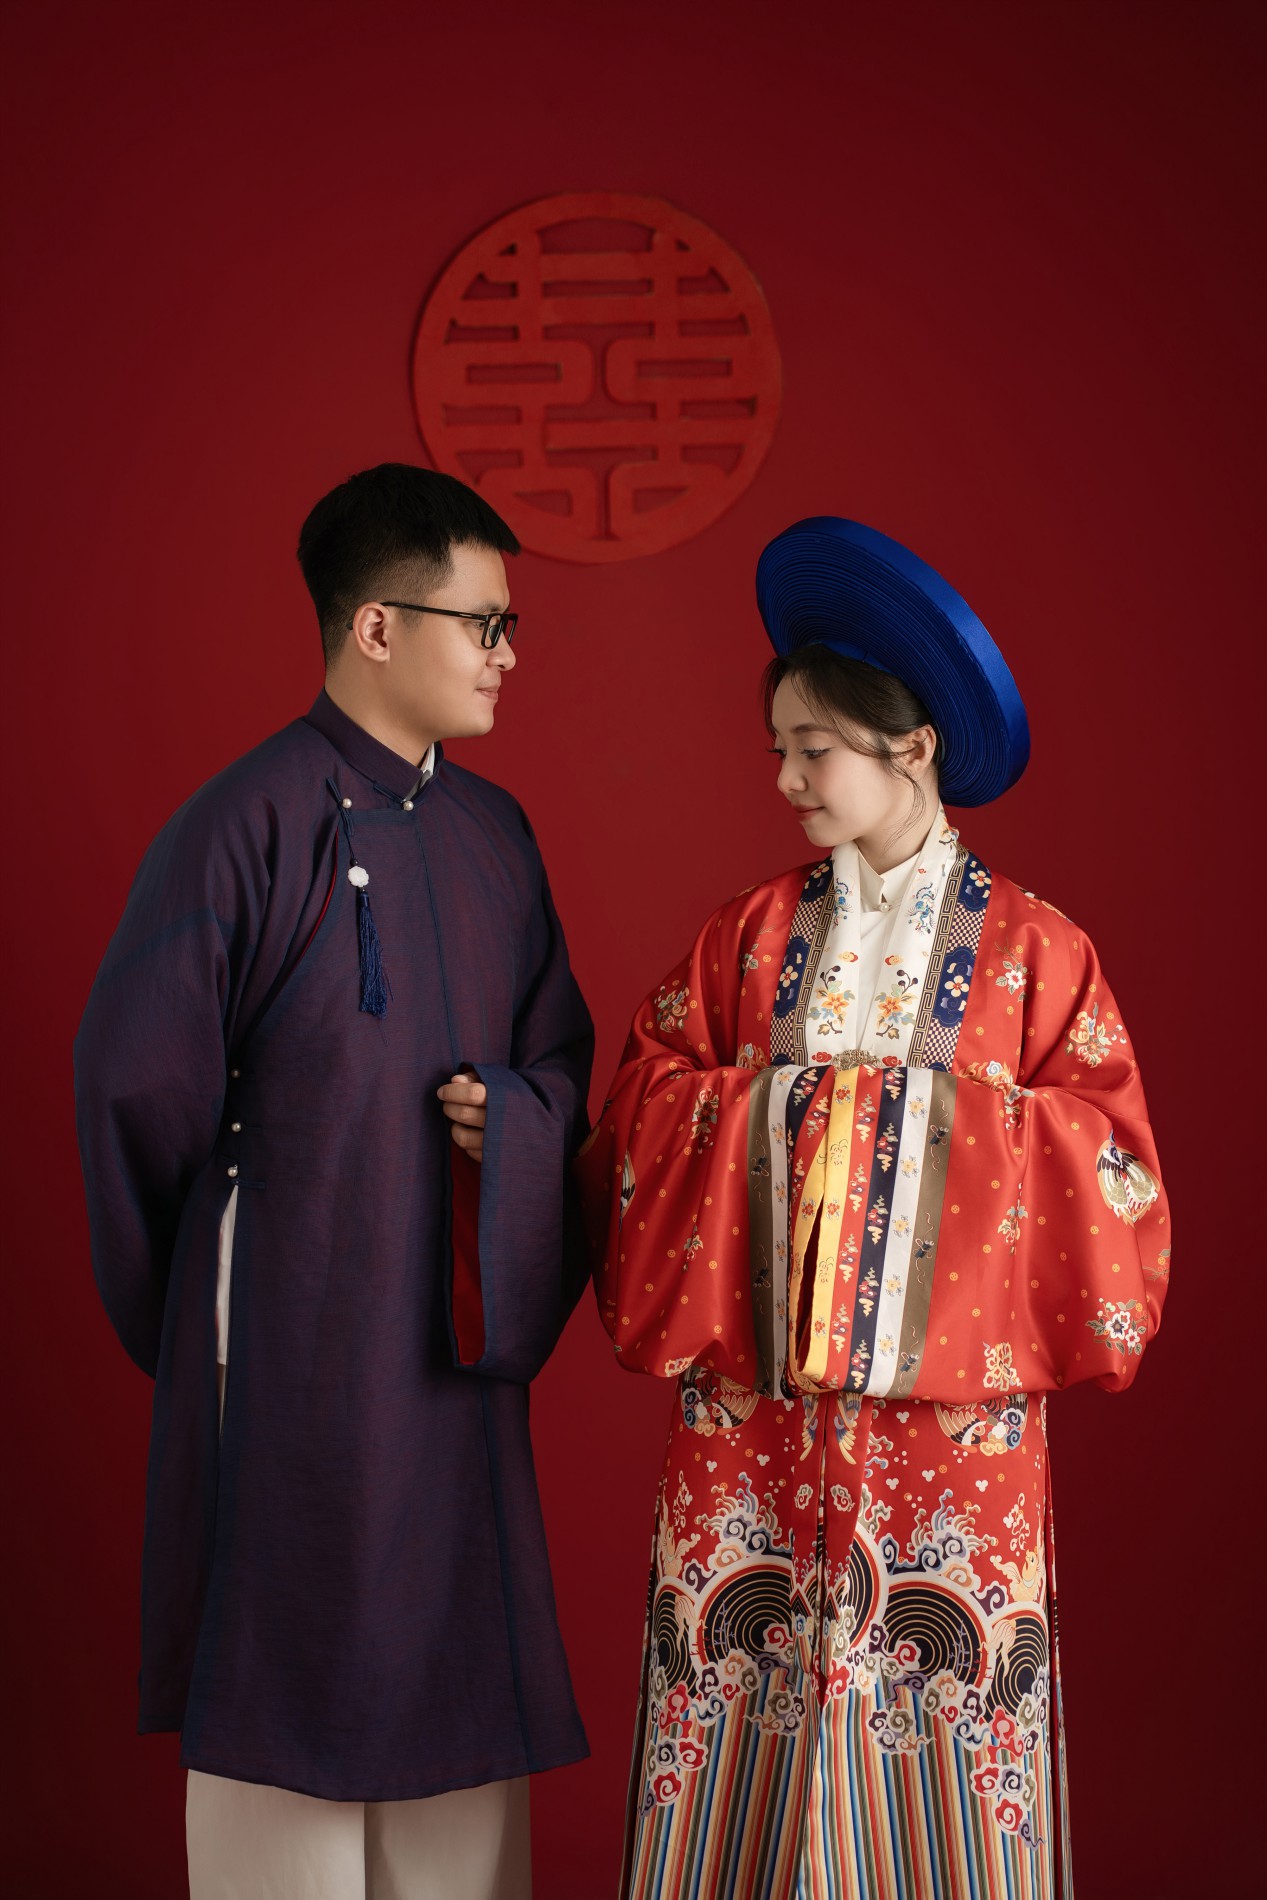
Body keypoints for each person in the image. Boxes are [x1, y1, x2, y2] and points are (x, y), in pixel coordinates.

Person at [577, 517, 1168, 1899]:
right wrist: (802, 1122)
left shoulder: (1039, 953)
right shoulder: (742, 938)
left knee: (941, 1739)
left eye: (813, 748)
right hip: (754, 1434)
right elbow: (639, 1115)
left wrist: (877, 1133)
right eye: (778, 748)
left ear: (912, 749)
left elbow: (1116, 1174)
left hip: (953, 1446)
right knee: (737, 1723)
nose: (785, 778)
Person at [74, 463, 593, 1899]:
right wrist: (212, 1299)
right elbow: (131, 1088)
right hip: (287, 1335)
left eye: (509, 626)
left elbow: (562, 1054)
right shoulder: (245, 820)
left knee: (453, 1680)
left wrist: (519, 1124)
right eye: (482, 622)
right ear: (375, 627)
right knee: (283, 1674)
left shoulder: (498, 835)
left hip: (451, 1328)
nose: (505, 653)